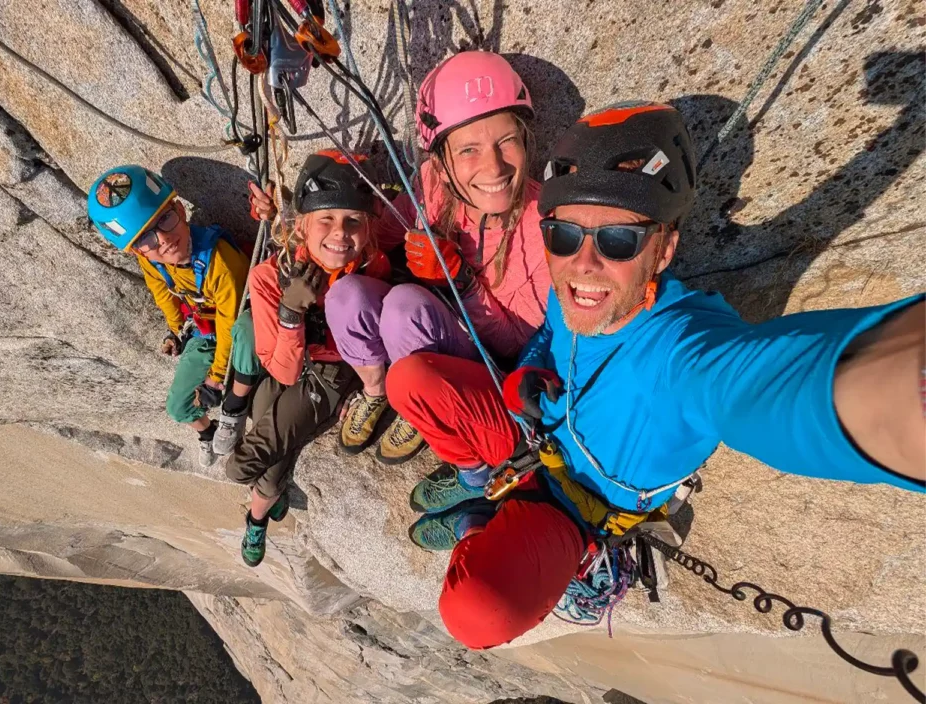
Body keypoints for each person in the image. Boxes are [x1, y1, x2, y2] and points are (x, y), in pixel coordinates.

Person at [385, 101, 926, 648]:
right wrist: (528, 366)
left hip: (581, 515)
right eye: (564, 235)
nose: (583, 264)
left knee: (478, 610)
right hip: (534, 446)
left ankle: (473, 523)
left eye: (619, 239)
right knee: (409, 381)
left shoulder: (683, 354)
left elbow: (789, 391)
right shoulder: (573, 289)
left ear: (664, 247)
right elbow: (553, 329)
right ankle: (480, 488)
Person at [249, 51, 552, 466]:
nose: (494, 166)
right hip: (427, 327)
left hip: (478, 361)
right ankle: (376, 391)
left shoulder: (541, 226)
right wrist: (288, 224)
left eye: (506, 141)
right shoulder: (430, 184)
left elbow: (518, 344)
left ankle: (417, 402)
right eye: (468, 150)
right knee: (347, 295)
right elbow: (375, 233)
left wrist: (461, 280)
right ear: (441, 163)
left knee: (404, 307)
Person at [226, 150, 391, 567]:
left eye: (354, 221)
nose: (341, 233)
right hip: (291, 361)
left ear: (369, 227)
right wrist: (290, 314)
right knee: (269, 446)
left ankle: (260, 510)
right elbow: (281, 367)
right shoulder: (270, 276)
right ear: (302, 224)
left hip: (331, 373)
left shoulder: (372, 264)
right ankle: (259, 517)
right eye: (327, 220)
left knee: (253, 459)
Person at [87, 165, 257, 468]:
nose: (163, 240)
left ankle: (233, 412)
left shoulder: (220, 261)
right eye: (146, 239)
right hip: (206, 335)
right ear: (137, 252)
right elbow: (163, 294)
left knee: (246, 331)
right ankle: (208, 432)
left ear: (179, 209)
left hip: (239, 335)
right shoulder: (153, 263)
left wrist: (216, 379)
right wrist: (176, 331)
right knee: (178, 407)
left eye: (165, 219)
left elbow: (232, 320)